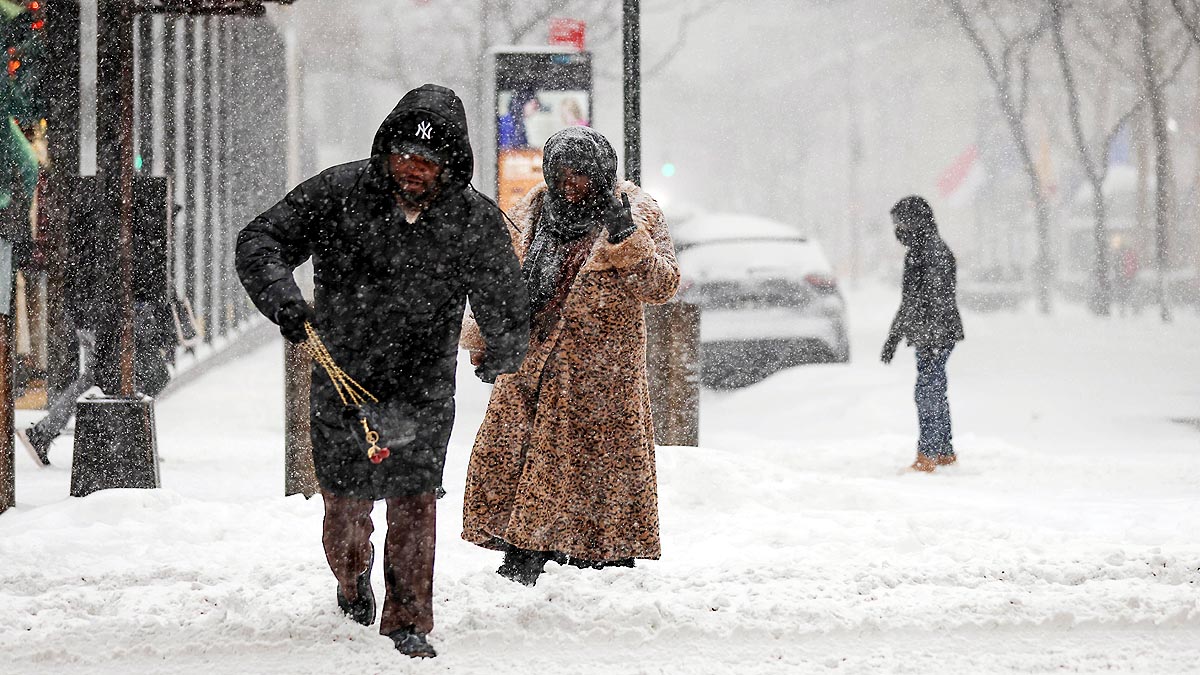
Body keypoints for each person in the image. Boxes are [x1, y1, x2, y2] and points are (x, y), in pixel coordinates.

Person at [235, 84, 529, 658]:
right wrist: (285, 304)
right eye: (402, 156)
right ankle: (351, 581)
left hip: (423, 385)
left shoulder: (473, 221)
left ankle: (409, 619)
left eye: (426, 161)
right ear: (386, 152)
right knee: (344, 509)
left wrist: (502, 349)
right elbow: (261, 240)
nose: (412, 169)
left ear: (449, 164)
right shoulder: (339, 193)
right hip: (342, 379)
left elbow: (504, 296)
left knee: (414, 499)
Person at [460, 126, 680, 586]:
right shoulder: (533, 211)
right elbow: (506, 289)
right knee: (521, 460)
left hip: (601, 373)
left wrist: (626, 239)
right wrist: (487, 342)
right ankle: (524, 549)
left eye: (582, 173)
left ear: (602, 174)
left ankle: (602, 554)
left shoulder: (636, 213)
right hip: (532, 363)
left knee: (596, 470)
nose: (571, 183)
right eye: (561, 172)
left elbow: (661, 286)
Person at [880, 195, 964, 473]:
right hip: (934, 332)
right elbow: (914, 300)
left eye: (901, 222)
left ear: (914, 222)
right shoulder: (928, 248)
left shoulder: (928, 252)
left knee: (927, 390)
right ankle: (943, 451)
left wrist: (896, 337)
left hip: (935, 334)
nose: (897, 230)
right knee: (934, 388)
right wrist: (897, 335)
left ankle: (928, 455)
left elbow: (920, 300)